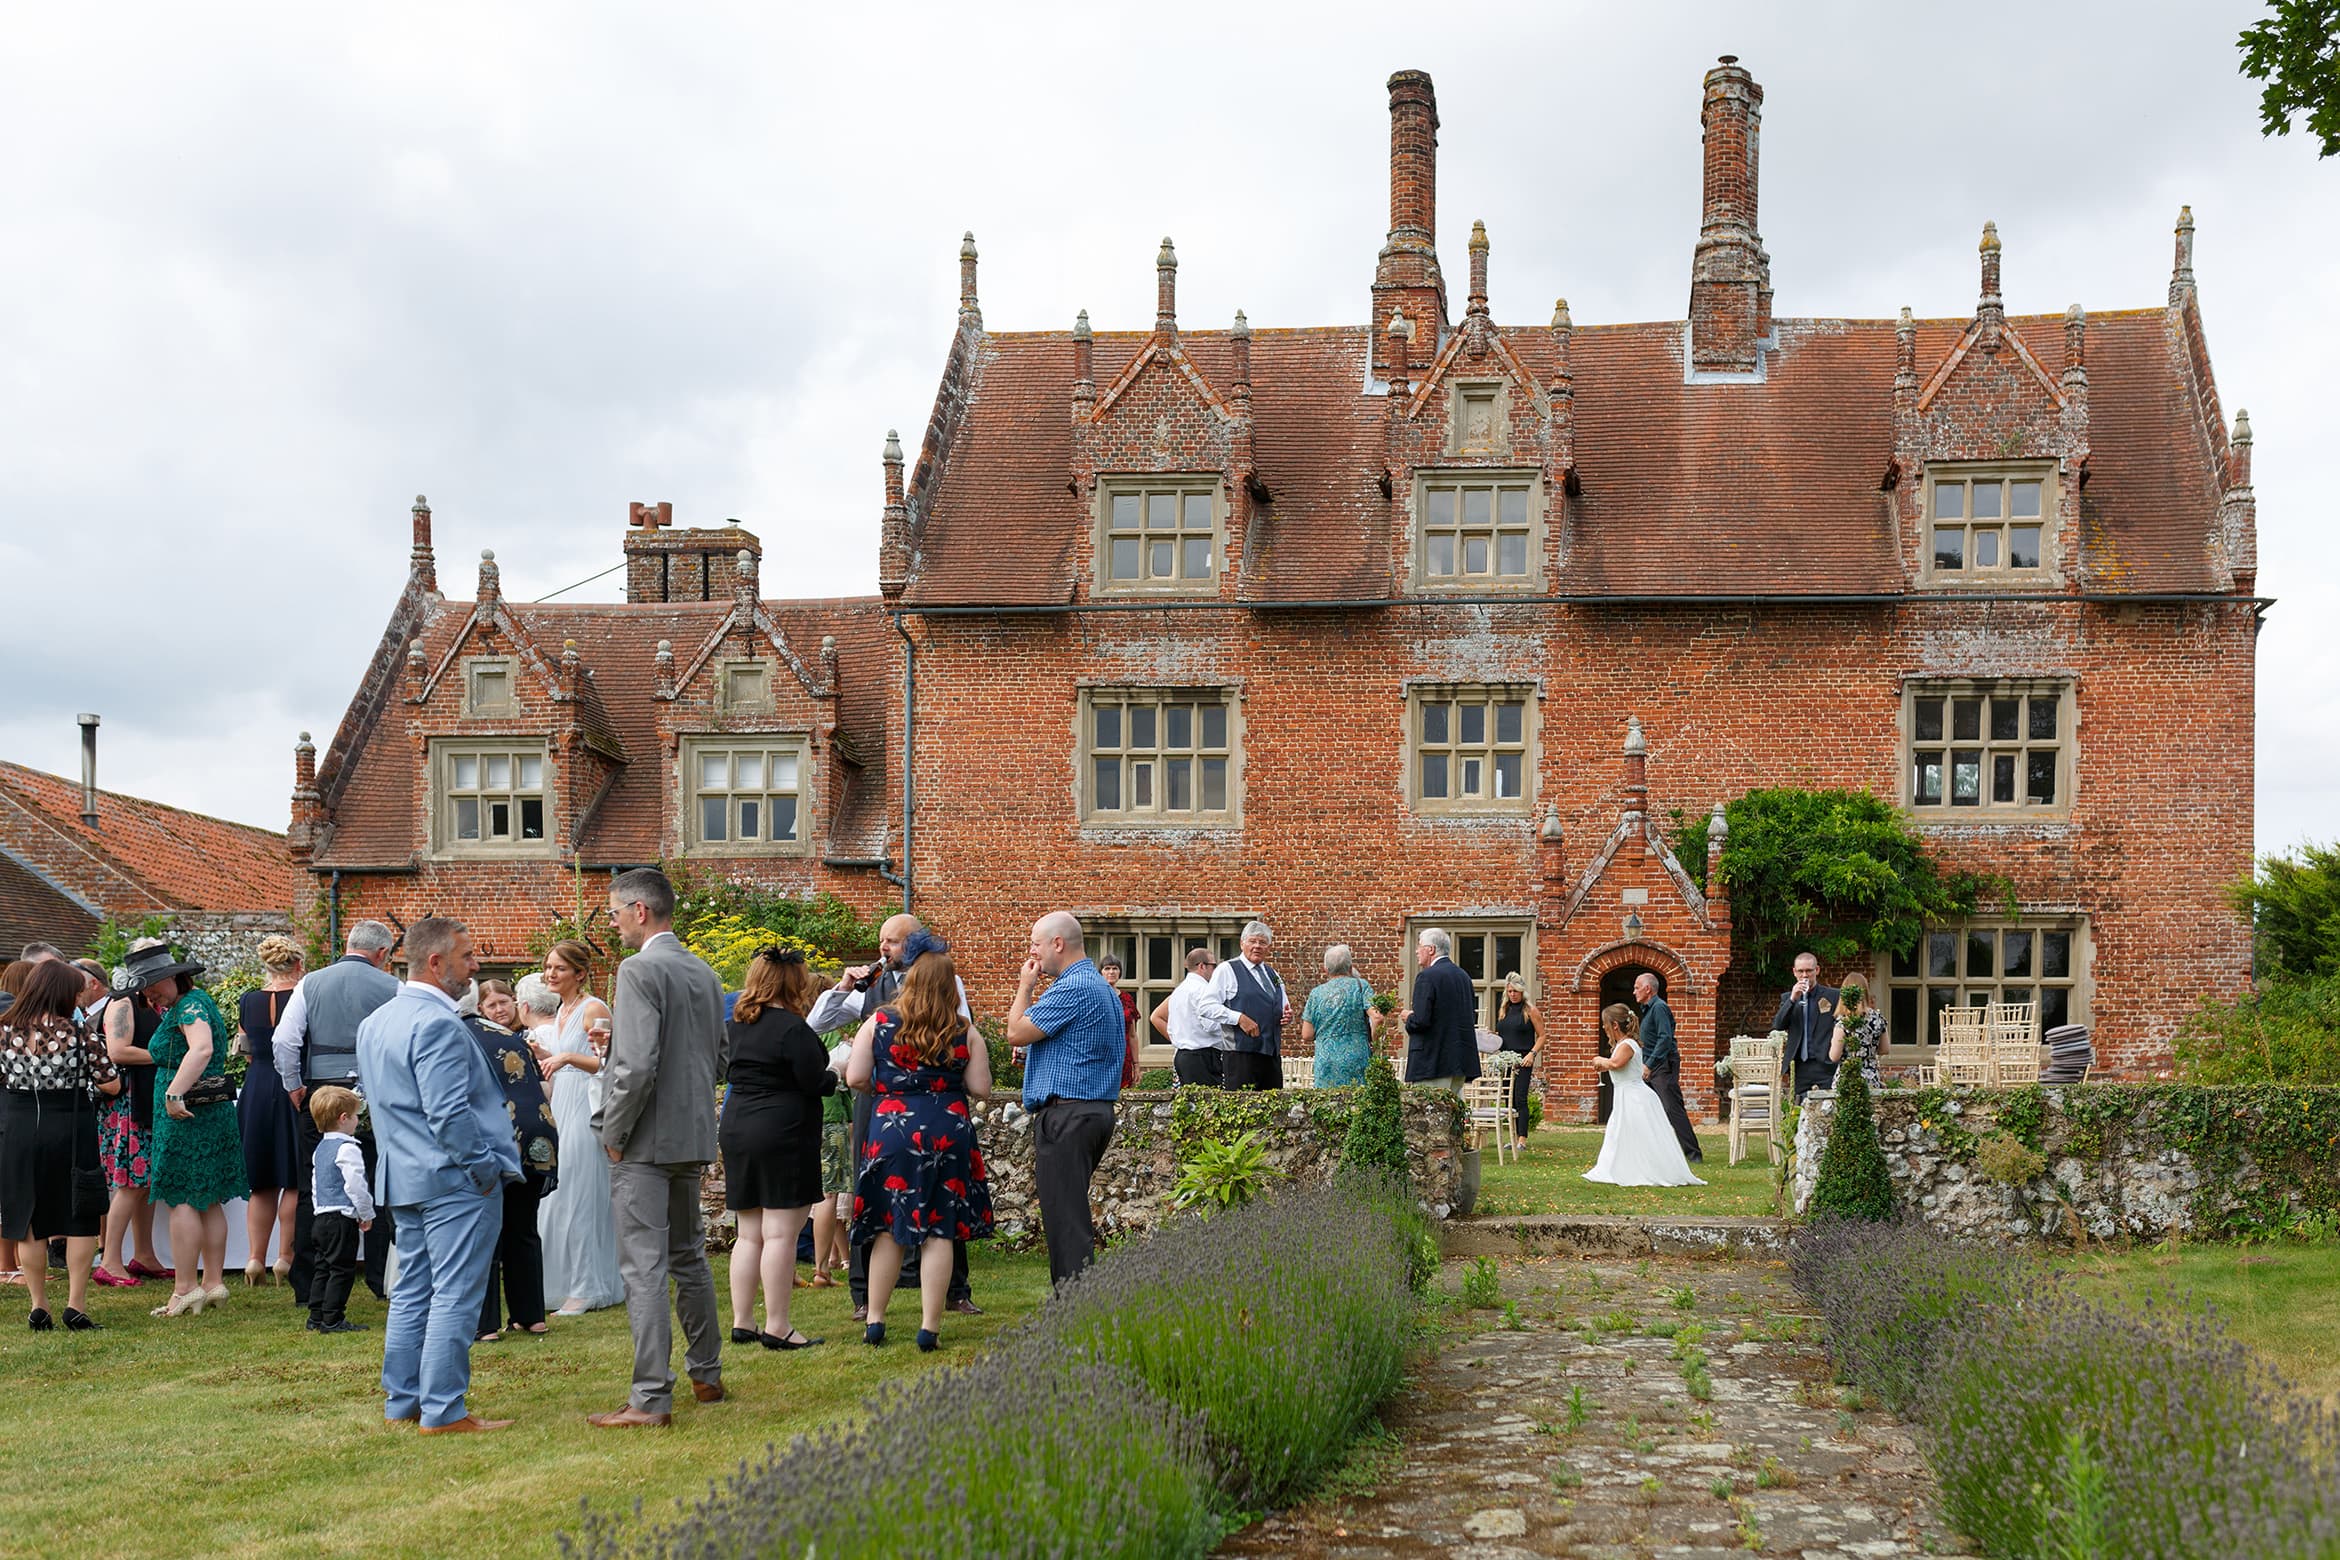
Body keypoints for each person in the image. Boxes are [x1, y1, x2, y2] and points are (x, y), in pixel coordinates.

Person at [357, 917, 518, 1431]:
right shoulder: (438, 1023)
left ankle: (402, 1403)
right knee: (454, 1292)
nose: (475, 966)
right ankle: (444, 1410)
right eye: (467, 956)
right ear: (435, 961)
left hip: (402, 1176)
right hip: (453, 1180)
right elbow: (448, 1114)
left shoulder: (376, 1021)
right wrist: (484, 1169)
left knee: (411, 1292)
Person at [590, 868, 726, 1429]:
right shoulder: (704, 971)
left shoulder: (638, 968)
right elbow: (717, 1060)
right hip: (689, 1134)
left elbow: (639, 1065)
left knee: (643, 1268)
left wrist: (613, 1134)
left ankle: (649, 1397)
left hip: (643, 1140)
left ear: (640, 911)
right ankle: (707, 1373)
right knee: (689, 1257)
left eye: (616, 911)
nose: (614, 921)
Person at [807, 913, 980, 1322]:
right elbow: (816, 1023)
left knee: (945, 1196)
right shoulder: (871, 988)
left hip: (938, 1100)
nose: (883, 949)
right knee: (873, 1194)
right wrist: (844, 987)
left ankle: (955, 1291)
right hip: (881, 1102)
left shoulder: (945, 980)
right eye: (882, 941)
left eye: (893, 942)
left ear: (916, 943)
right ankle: (864, 1296)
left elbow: (964, 1033)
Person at [848, 945, 993, 1350]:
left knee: (888, 1229)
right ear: (949, 987)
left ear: (910, 982)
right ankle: (929, 1327)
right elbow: (981, 1087)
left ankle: (875, 1320)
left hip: (892, 1128)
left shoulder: (878, 1021)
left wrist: (889, 1088)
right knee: (939, 1230)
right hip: (948, 1129)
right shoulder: (965, 1030)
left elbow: (856, 1076)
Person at [276, 920, 399, 1306]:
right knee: (378, 1183)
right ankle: (382, 1279)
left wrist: (294, 1084)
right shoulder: (395, 988)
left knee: (315, 1185)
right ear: (382, 954)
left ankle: (310, 1282)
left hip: (322, 1094)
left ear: (348, 944)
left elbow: (284, 1039)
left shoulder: (309, 983)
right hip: (374, 1094)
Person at [720, 946, 835, 1350]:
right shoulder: (791, 1028)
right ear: (792, 983)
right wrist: (835, 1068)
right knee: (781, 1233)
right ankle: (778, 1325)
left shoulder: (736, 1024)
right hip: (781, 1130)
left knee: (749, 1233)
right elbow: (815, 1081)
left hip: (737, 1125)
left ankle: (742, 1321)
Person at [1003, 911, 1125, 1287]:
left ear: (1058, 944)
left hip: (1068, 1115)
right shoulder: (1101, 987)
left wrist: (1026, 986)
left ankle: (1075, 1310)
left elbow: (1016, 1032)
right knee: (1068, 1213)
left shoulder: (1073, 987)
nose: (1032, 953)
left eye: (1035, 945)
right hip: (1092, 1111)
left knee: (1065, 1220)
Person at [1, 959, 121, 1331]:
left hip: (19, 1128)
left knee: (29, 1221)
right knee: (80, 1215)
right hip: (70, 1127)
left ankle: (39, 1306)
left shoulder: (4, 1030)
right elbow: (111, 1083)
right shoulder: (79, 1033)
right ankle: (75, 1305)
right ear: (63, 994)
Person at [138, 944, 247, 1316]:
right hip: (207, 1109)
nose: (146, 993)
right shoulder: (196, 999)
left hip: (185, 1113)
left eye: (151, 984)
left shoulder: (188, 1006)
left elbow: (201, 1049)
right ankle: (213, 1283)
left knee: (181, 1197)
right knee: (208, 1197)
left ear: (171, 977)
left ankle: (185, 1289)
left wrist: (174, 1092)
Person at [534, 939, 624, 1315]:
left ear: (580, 973)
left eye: (559, 968)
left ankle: (587, 1287)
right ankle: (563, 1283)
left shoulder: (593, 1009)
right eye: (548, 967)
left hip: (584, 1110)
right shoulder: (560, 1010)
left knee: (580, 1198)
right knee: (556, 1198)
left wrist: (567, 1056)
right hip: (561, 1104)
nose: (550, 974)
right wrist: (543, 1055)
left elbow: (610, 1061)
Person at [468, 979, 558, 1343]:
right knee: (523, 1228)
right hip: (536, 1133)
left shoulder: (455, 1034)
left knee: (485, 1229)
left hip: (497, 1138)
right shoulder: (511, 1036)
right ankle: (531, 1316)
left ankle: (485, 1324)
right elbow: (543, 1087)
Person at [93, 944, 169, 1289]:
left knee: (146, 1183)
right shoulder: (122, 1002)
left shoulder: (150, 1003)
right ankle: (110, 1260)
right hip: (127, 1105)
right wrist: (167, 1056)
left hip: (146, 1100)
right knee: (129, 1183)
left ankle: (144, 1255)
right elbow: (117, 1050)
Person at [235, 935, 306, 1286]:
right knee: (293, 1179)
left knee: (260, 1182)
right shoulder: (305, 996)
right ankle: (285, 1258)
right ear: (297, 964)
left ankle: (253, 1260)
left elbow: (245, 1050)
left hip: (258, 1084)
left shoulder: (248, 1001)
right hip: (293, 1085)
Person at [1582, 1003, 1706, 1188]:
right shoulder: (1623, 1044)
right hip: (1625, 1096)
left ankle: (1644, 1170)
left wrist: (1600, 1060)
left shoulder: (1627, 1044)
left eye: (1605, 1023)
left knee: (1640, 1135)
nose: (1603, 1027)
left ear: (1615, 1025)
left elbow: (1616, 1064)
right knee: (1619, 1134)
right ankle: (1618, 1168)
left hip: (1635, 1097)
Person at [303, 1085, 374, 1334]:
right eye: (356, 1116)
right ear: (344, 1118)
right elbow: (356, 1184)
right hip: (341, 1217)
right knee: (342, 1269)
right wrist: (366, 1213)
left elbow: (316, 1185)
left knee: (323, 1266)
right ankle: (333, 1319)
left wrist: (318, 1209)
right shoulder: (348, 1148)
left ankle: (316, 1315)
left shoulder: (321, 1149)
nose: (357, 1121)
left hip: (321, 1216)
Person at [1397, 928, 1481, 1090]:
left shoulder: (1427, 976)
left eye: (1420, 946)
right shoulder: (1463, 976)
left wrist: (1409, 1018)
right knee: (1453, 1113)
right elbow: (1470, 1017)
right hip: (1459, 1062)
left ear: (1431, 949)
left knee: (1428, 1113)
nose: (1416, 951)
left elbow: (1421, 1021)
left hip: (1432, 1063)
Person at [1634, 972, 1701, 1163]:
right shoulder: (1648, 1009)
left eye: (1637, 987)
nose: (1634, 992)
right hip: (1652, 1064)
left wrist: (1649, 1064)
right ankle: (1655, 1153)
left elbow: (1665, 1038)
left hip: (1663, 1065)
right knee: (1649, 1108)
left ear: (1648, 989)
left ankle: (1693, 1154)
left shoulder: (1659, 1008)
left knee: (1672, 1108)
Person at [1300, 945, 1379, 1088]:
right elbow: (1377, 1017)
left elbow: (1306, 1034)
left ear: (1326, 970)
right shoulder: (1361, 986)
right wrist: (1375, 1041)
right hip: (1357, 1056)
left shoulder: (1316, 993)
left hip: (1326, 1059)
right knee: (1357, 1104)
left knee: (1327, 1105)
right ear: (1350, 968)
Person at [1773, 952, 1842, 1103]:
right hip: (1800, 1065)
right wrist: (1792, 999)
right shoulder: (1787, 998)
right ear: (1794, 972)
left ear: (1817, 970)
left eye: (1809, 971)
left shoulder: (1833, 996)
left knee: (1829, 1107)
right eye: (1800, 971)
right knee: (1798, 1109)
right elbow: (1778, 1025)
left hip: (1825, 1064)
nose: (1805, 975)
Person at [1150, 946, 1223, 1088]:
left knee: (1191, 1106)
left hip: (1183, 1056)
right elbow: (1211, 1025)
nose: (1216, 971)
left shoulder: (1179, 990)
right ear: (1202, 966)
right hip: (1202, 1057)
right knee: (1206, 1106)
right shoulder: (1203, 990)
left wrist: (1180, 1040)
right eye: (1214, 966)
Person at [1493, 974, 1541, 1144]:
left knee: (1520, 1097)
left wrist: (1532, 1054)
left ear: (1522, 991)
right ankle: (1512, 1138)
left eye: (1516, 991)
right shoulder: (1503, 1010)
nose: (1513, 994)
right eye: (1510, 991)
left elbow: (1543, 1036)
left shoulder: (1530, 1011)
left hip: (1522, 1060)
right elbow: (1502, 1034)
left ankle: (1522, 1139)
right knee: (1508, 1098)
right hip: (1505, 1059)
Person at [1828, 976, 1886, 1094]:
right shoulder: (1878, 1018)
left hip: (1847, 1079)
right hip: (1871, 1078)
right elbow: (1885, 1049)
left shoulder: (1844, 1021)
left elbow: (1834, 1056)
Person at [1097, 956, 1142, 1089]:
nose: (1111, 972)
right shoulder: (1096, 997)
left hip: (1124, 1059)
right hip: (1102, 1057)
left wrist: (1136, 1065)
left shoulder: (1127, 999)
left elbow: (1132, 1035)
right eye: (1107, 968)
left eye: (1115, 968)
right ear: (1101, 972)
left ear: (1120, 972)